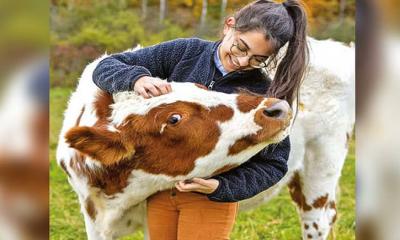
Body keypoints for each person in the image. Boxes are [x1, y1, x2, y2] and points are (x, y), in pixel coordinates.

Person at [92, 0, 308, 239]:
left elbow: (274, 164)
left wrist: (222, 187)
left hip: (208, 199)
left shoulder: (259, 91)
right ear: (229, 26)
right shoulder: (185, 52)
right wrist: (137, 78)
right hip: (160, 190)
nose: (243, 62)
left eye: (258, 59)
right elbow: (106, 67)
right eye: (241, 47)